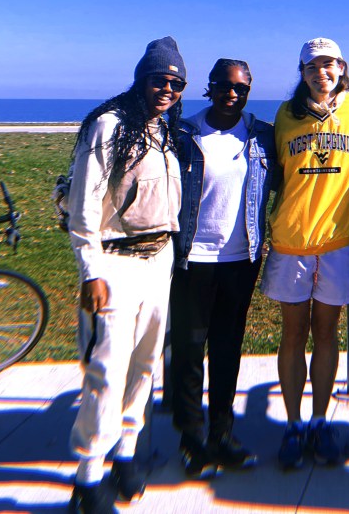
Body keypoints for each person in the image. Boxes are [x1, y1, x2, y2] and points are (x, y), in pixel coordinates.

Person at [65, 37, 186, 514]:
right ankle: (88, 475)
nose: (168, 88)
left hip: (159, 262)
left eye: (177, 83)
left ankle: (127, 454)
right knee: (106, 372)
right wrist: (91, 270)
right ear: (142, 78)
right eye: (160, 78)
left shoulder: (162, 130)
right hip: (114, 263)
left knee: (145, 364)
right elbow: (84, 207)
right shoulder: (109, 126)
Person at [263, 38, 349, 468]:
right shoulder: (285, 114)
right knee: (293, 334)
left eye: (328, 65)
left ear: (342, 67)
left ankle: (318, 421)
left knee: (327, 331)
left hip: (339, 239)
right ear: (302, 72)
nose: (321, 73)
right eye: (312, 67)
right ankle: (293, 426)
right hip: (291, 239)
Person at [170, 58, 277, 477]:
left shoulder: (261, 135)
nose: (233, 94)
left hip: (240, 259)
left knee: (228, 350)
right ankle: (191, 441)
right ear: (209, 87)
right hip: (192, 259)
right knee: (190, 349)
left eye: (242, 89)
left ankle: (222, 435)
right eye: (225, 86)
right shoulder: (184, 133)